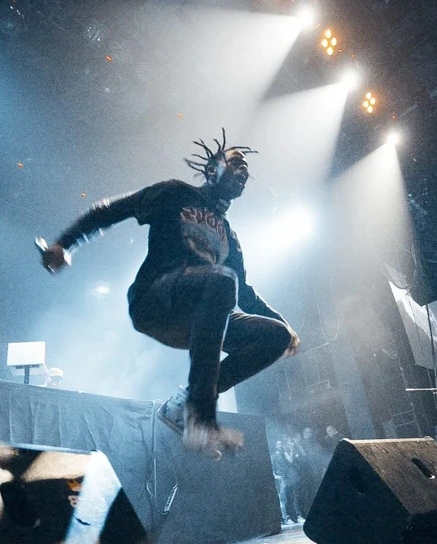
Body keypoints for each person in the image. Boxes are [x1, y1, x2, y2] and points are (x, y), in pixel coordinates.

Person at [38, 130, 299, 459]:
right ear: (211, 170)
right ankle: (200, 417)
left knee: (273, 335)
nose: (243, 172)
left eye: (246, 169)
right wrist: (65, 242)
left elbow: (244, 293)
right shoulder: (176, 193)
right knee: (221, 281)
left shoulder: (230, 236)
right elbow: (112, 210)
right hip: (156, 298)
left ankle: (185, 401)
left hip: (203, 310)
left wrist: (284, 325)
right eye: (235, 163)